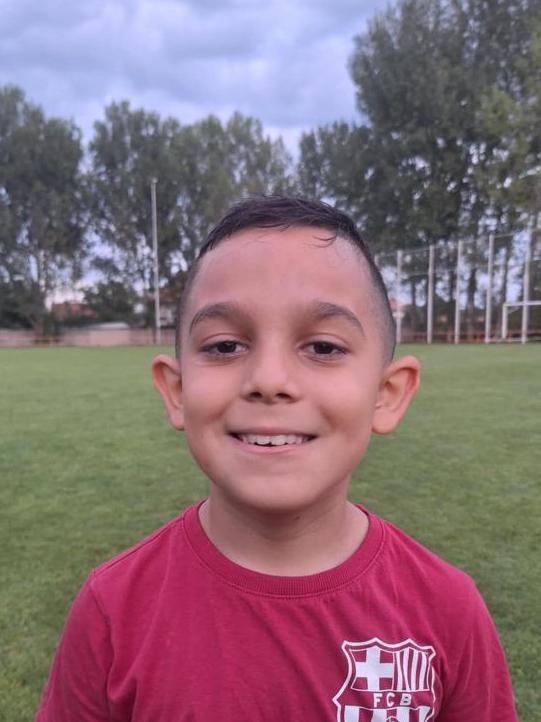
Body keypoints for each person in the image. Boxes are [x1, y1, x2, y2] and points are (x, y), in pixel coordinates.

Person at [36, 196, 517, 722]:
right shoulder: (112, 610)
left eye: (324, 348)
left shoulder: (448, 609)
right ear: (176, 391)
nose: (269, 380)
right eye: (224, 346)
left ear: (387, 394)